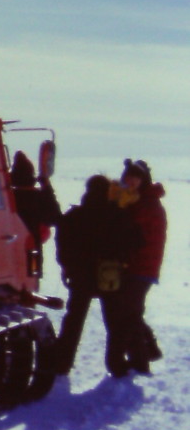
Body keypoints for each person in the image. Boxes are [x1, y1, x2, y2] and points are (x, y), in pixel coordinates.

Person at [53, 175, 138, 376]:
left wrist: (68, 267)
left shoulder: (74, 215)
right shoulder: (116, 214)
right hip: (108, 276)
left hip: (80, 277)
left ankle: (61, 364)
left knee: (73, 322)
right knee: (114, 323)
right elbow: (135, 241)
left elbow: (62, 244)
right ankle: (116, 365)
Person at [109, 158, 167, 375]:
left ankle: (142, 363)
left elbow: (128, 227)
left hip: (141, 266)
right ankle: (150, 349)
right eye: (128, 177)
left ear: (143, 180)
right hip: (137, 265)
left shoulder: (146, 204)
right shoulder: (138, 200)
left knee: (130, 314)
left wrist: (119, 203)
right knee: (132, 312)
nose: (130, 181)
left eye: (135, 177)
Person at [11, 151, 62, 275]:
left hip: (2, 253)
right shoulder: (37, 198)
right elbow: (55, 218)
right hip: (31, 252)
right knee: (30, 283)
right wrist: (47, 188)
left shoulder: (3, 198)